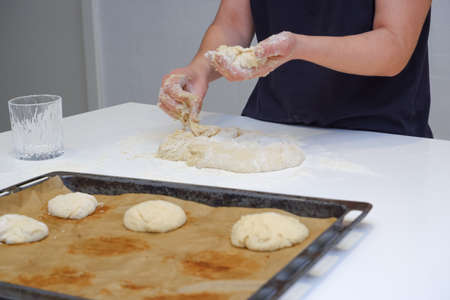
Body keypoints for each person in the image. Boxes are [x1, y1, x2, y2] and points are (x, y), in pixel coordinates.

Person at [158, 0, 433, 138]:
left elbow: (393, 47)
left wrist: (299, 48)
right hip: (272, 131)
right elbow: (232, 24)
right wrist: (199, 69)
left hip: (379, 137)